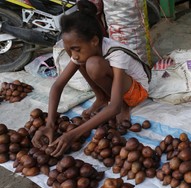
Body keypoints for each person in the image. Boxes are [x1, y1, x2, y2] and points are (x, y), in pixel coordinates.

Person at [32, 0, 150, 157]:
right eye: (69, 50)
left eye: (75, 49)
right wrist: (50, 124)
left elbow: (113, 107)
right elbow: (57, 86)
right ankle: (101, 98)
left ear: (94, 41)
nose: (73, 55)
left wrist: (73, 134)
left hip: (137, 91)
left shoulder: (116, 53)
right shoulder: (83, 50)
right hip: (116, 84)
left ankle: (124, 106)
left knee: (93, 64)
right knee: (83, 61)